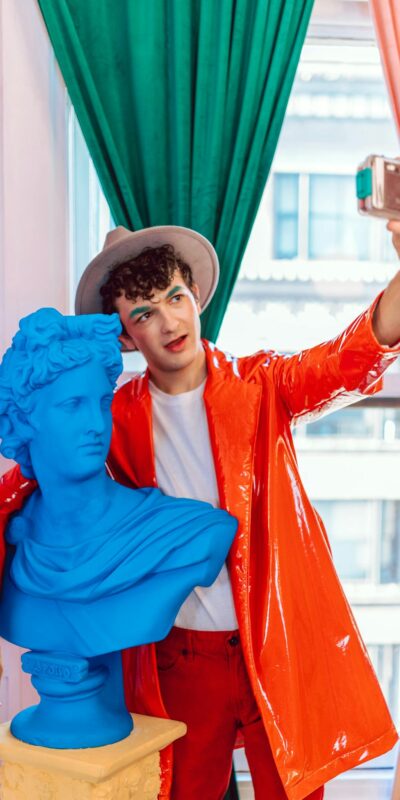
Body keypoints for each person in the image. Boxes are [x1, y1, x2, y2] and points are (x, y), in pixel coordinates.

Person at [2, 224, 400, 799]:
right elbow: (36, 474)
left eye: (174, 298)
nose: (167, 322)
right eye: (143, 314)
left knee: (296, 790)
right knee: (185, 789)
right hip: (181, 655)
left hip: (272, 642)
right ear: (125, 336)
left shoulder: (262, 387)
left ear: (194, 297)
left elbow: (349, 358)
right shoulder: (110, 419)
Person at [0, 308, 237, 749]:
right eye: (72, 405)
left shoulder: (187, 535)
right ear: (22, 421)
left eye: (100, 402)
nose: (96, 424)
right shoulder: (10, 543)